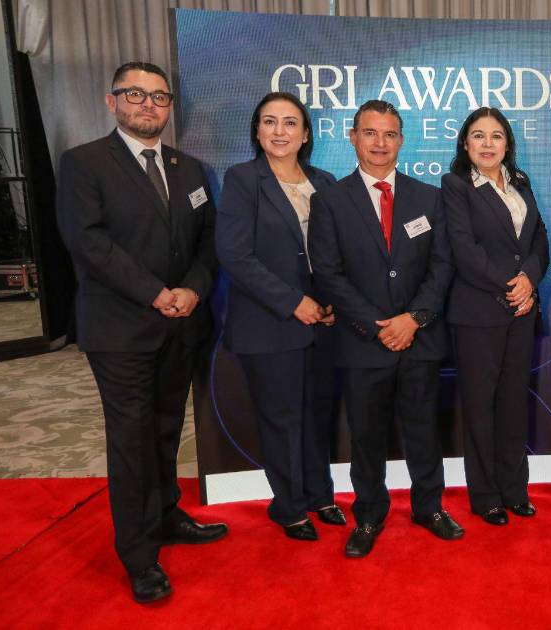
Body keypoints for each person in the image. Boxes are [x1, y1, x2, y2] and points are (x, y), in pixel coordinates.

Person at [56, 61, 226, 603]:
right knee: (131, 439)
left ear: (170, 105)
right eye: (135, 94)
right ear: (112, 102)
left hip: (181, 324)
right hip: (120, 329)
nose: (148, 104)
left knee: (166, 428)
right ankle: (139, 555)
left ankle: (168, 515)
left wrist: (193, 289)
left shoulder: (190, 169)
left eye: (158, 96)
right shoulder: (84, 163)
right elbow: (88, 243)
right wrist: (156, 293)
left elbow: (207, 241)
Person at [307, 100, 459, 559]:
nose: (380, 143)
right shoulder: (330, 200)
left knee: (423, 431)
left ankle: (429, 507)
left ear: (402, 140)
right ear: (352, 137)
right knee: (367, 437)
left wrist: (414, 319)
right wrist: (378, 327)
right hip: (362, 343)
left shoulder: (429, 197)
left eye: (389, 134)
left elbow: (442, 265)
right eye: (370, 133)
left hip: (419, 338)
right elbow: (328, 274)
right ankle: (370, 515)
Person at [216, 92, 343, 542]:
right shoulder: (243, 179)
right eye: (269, 122)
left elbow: (335, 252)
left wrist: (331, 301)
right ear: (256, 130)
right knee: (282, 418)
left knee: (317, 415)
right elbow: (235, 254)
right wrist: (293, 302)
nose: (279, 131)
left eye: (290, 123)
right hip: (270, 323)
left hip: (322, 324)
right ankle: (289, 507)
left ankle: (321, 496)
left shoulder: (325, 181)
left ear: (306, 134)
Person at [442, 107, 549, 525]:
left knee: (512, 404)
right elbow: (464, 250)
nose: (488, 144)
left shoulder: (520, 182)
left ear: (508, 143)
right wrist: (513, 286)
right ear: (465, 144)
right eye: (478, 135)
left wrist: (530, 280)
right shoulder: (455, 186)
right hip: (478, 314)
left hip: (521, 312)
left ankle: (514, 490)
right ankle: (485, 495)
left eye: (496, 136)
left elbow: (539, 239)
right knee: (480, 408)